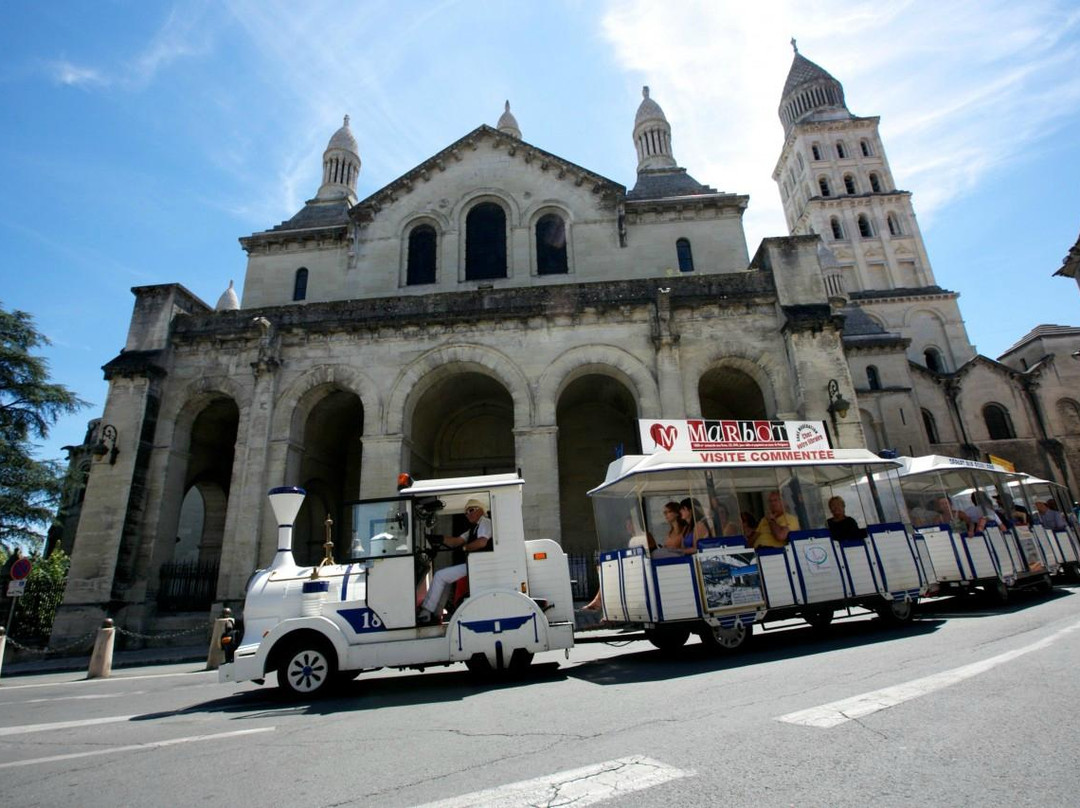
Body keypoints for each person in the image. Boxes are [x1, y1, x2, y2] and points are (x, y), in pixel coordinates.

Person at [417, 499, 491, 624]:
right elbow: (456, 541)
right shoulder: (474, 528)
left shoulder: (485, 522)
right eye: (466, 512)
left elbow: (482, 542)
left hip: (480, 565)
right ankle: (436, 613)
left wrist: (465, 548)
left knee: (440, 575)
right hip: (474, 565)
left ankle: (426, 612)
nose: (468, 514)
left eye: (471, 510)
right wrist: (439, 539)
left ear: (481, 510)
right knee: (444, 578)